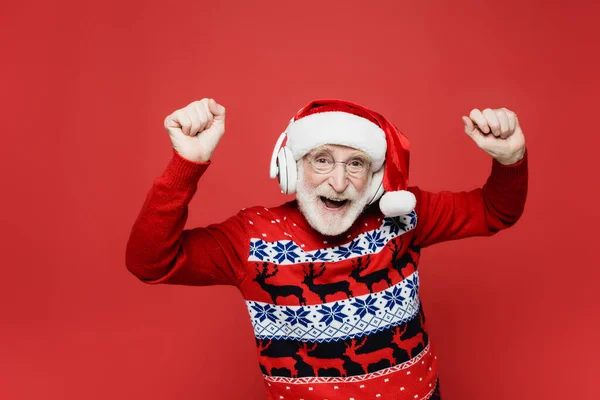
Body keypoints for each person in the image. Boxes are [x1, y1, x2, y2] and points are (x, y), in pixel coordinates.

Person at [125, 98, 528, 400]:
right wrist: (186, 164)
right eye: (322, 160)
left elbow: (495, 211)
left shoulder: (402, 214)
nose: (338, 182)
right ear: (290, 167)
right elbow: (149, 262)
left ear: (375, 178)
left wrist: (511, 160)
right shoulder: (250, 237)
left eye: (355, 164)